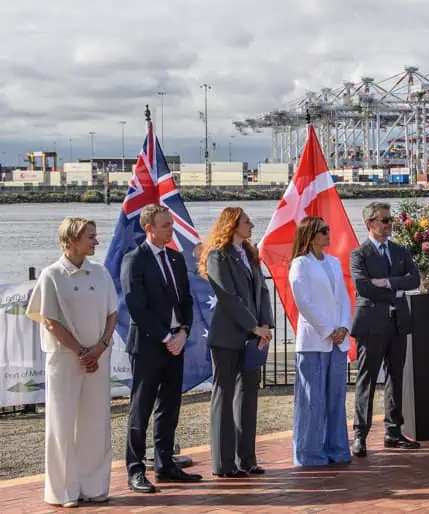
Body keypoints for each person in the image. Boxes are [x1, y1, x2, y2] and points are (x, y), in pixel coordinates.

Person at [26, 217, 116, 508]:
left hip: (98, 359)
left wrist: (100, 348)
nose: (96, 241)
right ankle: (63, 490)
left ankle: (94, 486)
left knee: (96, 422)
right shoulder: (51, 275)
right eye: (90, 236)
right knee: (62, 425)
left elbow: (112, 314)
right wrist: (80, 352)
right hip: (65, 361)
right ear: (72, 239)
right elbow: (50, 320)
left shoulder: (101, 273)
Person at [121, 205, 202, 493]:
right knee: (141, 409)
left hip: (176, 344)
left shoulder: (176, 259)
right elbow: (136, 306)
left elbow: (187, 301)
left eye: (171, 224)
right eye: (165, 225)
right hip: (148, 346)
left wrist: (184, 332)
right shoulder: (134, 260)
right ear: (149, 228)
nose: (171, 229)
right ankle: (135, 470)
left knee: (169, 406)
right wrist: (166, 336)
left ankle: (165, 465)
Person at [198, 207, 274, 477]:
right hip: (228, 336)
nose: (251, 225)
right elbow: (228, 297)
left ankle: (247, 459)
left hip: (254, 337)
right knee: (224, 394)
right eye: (246, 222)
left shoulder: (251, 254)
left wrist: (266, 325)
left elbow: (263, 291)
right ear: (232, 225)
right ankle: (224, 463)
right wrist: (253, 326)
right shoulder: (218, 256)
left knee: (248, 397)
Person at [349, 201, 421, 457]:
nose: (390, 224)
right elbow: (364, 288)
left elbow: (415, 279)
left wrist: (388, 282)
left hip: (398, 323)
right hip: (371, 325)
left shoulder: (400, 251)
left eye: (391, 219)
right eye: (385, 220)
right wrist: (396, 289)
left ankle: (393, 431)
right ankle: (360, 434)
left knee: (396, 377)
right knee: (367, 379)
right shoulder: (360, 254)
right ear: (370, 223)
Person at [288, 216, 353, 466]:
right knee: (312, 399)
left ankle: (337, 449)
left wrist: (344, 326)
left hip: (338, 342)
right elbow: (303, 301)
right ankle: (309, 453)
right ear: (312, 235)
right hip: (314, 341)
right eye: (324, 230)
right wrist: (328, 330)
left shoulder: (334, 262)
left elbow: (343, 297)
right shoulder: (300, 264)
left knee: (336, 397)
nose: (328, 234)